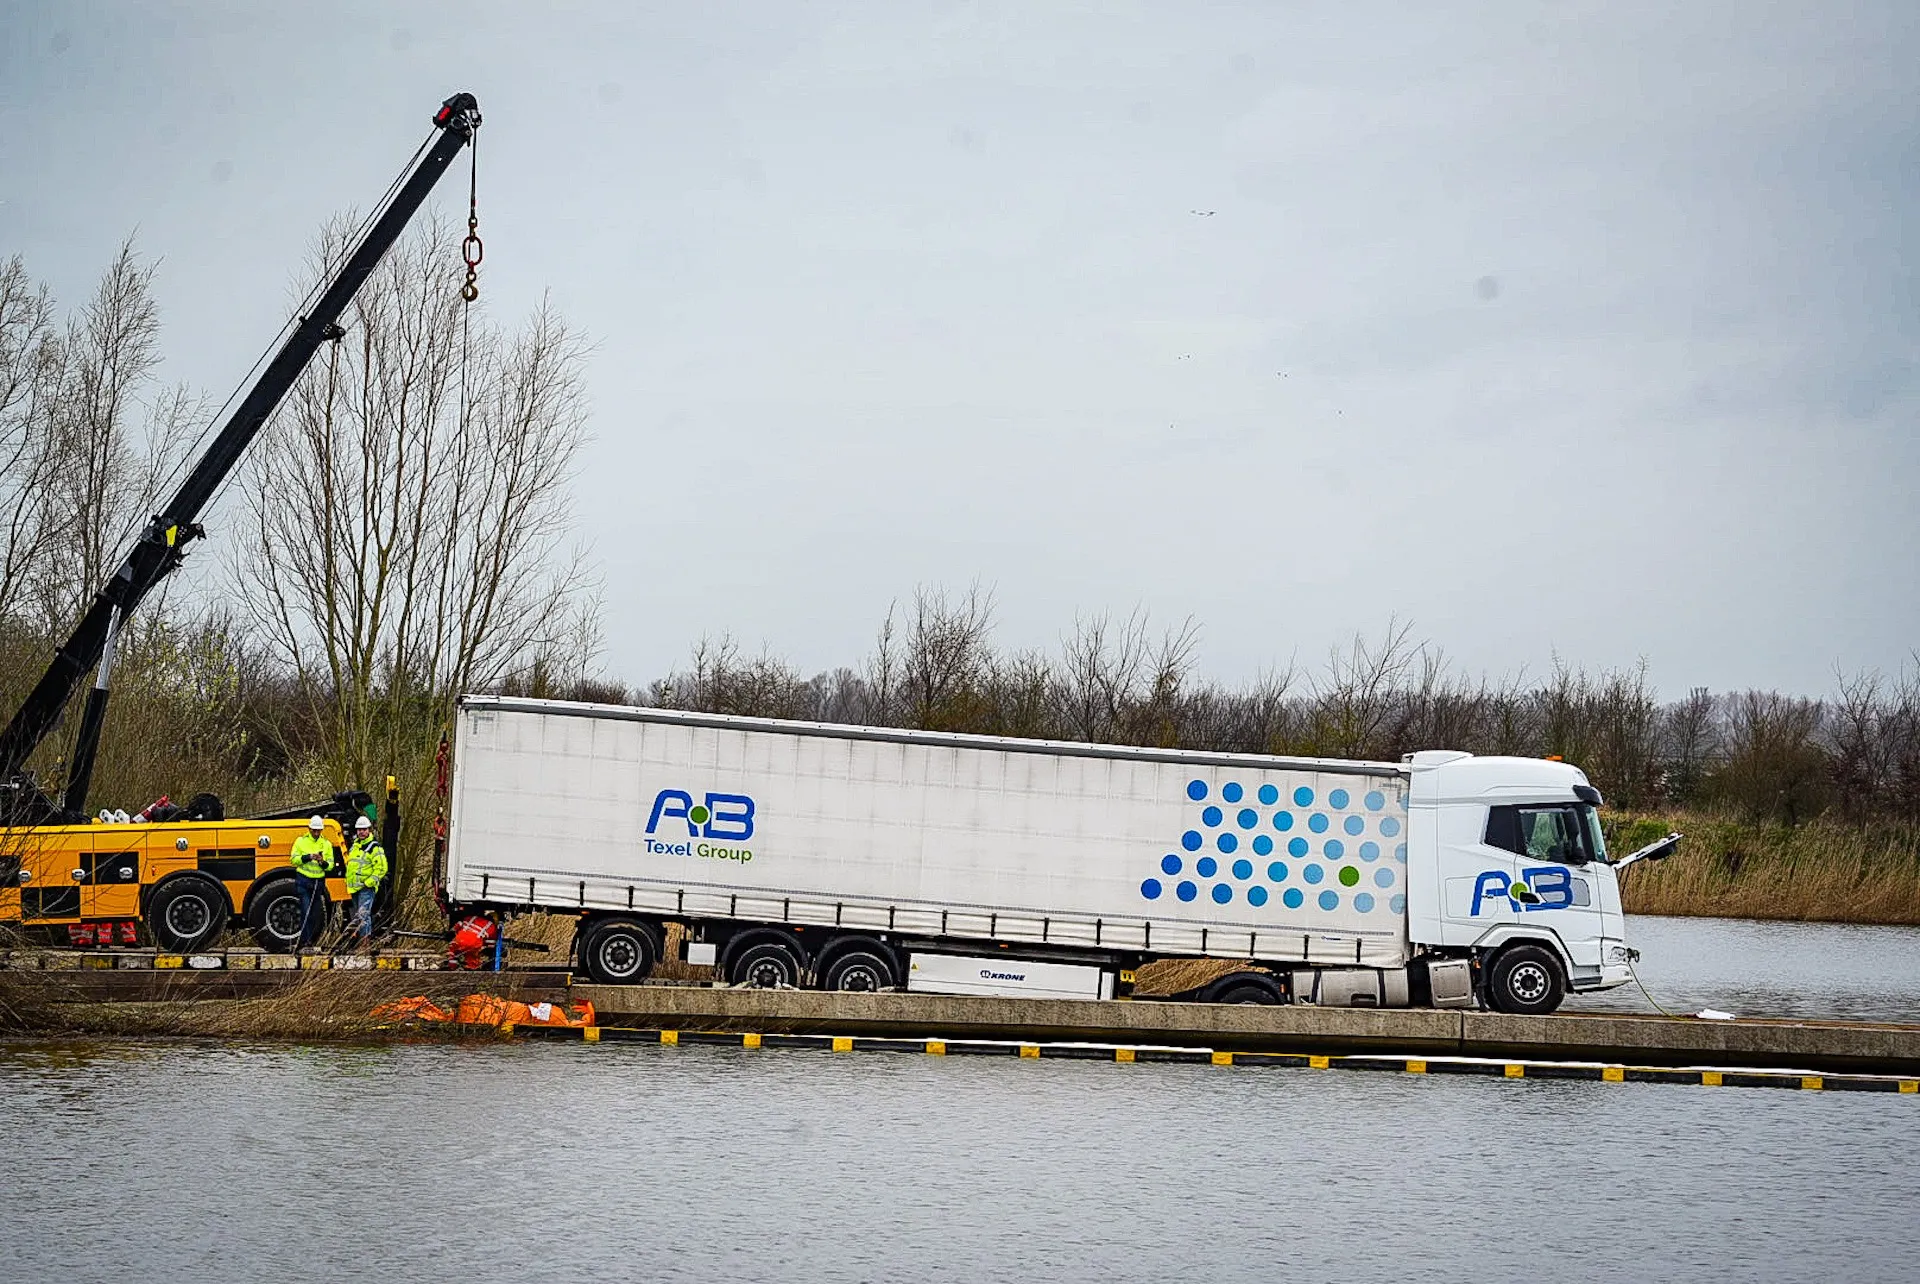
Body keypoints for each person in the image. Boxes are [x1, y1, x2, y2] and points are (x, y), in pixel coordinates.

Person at [288, 816, 337, 949]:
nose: (316, 833)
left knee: (315, 913)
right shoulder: (301, 841)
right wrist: (308, 857)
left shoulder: (326, 844)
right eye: (314, 830)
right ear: (309, 828)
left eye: (318, 831)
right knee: (306, 910)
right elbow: (294, 859)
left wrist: (322, 862)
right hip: (303, 880)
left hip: (318, 882)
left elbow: (330, 865)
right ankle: (305, 941)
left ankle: (310, 940)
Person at [344, 816, 388, 944]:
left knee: (363, 916)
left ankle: (365, 944)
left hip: (366, 888)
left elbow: (381, 868)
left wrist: (369, 882)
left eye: (364, 829)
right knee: (358, 917)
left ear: (369, 830)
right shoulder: (354, 847)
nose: (361, 832)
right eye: (359, 830)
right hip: (354, 888)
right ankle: (360, 942)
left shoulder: (374, 848)